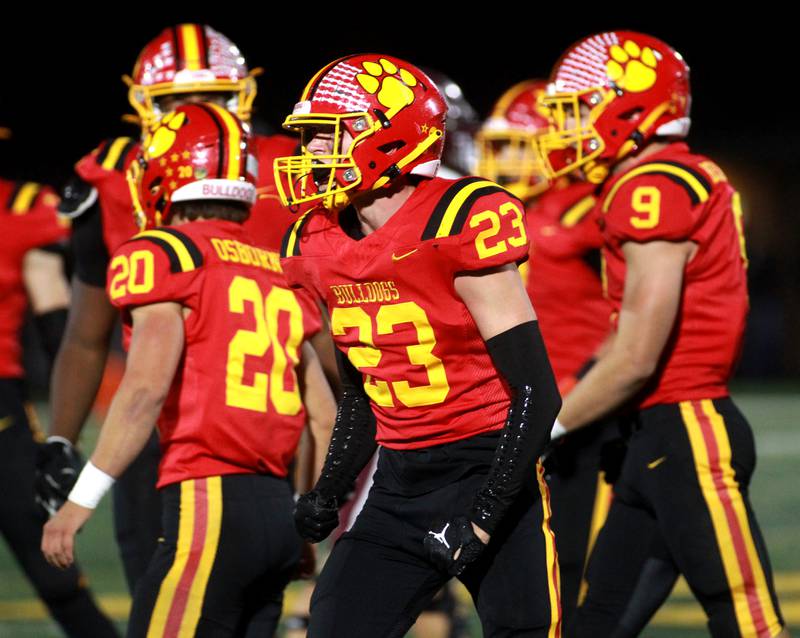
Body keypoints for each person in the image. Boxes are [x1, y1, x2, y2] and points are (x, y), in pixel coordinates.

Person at [36, 23, 334, 594]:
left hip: (260, 422)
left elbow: (329, 322)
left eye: (214, 98)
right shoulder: (117, 175)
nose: (197, 116)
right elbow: (87, 333)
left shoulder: (289, 168)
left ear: (242, 97)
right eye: (177, 103)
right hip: (173, 430)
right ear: (147, 106)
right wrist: (61, 439)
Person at [275, 54, 562, 637]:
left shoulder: (457, 219)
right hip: (400, 483)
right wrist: (328, 491)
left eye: (330, 135)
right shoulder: (319, 240)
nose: (310, 154)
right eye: (310, 139)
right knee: (334, 625)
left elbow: (536, 390)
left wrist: (484, 517)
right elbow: (361, 399)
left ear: (389, 135)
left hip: (489, 468)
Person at [537, 31, 788, 637]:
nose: (565, 127)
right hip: (653, 437)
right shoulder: (658, 179)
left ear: (628, 106)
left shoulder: (652, 186)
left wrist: (545, 430)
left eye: (579, 107)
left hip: (687, 432)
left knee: (746, 620)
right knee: (595, 624)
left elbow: (637, 354)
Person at [477, 79, 621, 626]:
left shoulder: (588, 206)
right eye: (502, 144)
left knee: (585, 565)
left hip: (583, 415)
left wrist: (590, 382)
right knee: (526, 566)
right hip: (515, 415)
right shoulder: (493, 210)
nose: (506, 158)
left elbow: (626, 310)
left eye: (518, 143)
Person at [0, 175, 119, 637]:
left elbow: (56, 322)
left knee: (50, 563)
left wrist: (63, 432)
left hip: (3, 409)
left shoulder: (21, 208)